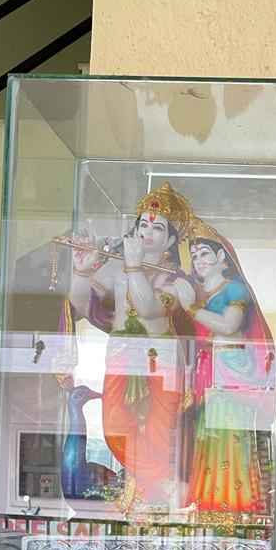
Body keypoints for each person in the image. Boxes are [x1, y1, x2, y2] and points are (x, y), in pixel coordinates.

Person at [63, 183, 196, 513]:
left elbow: (149, 309)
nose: (148, 232)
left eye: (158, 228)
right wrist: (82, 270)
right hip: (122, 354)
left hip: (160, 360)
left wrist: (134, 268)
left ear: (170, 241)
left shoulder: (177, 281)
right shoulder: (117, 270)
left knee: (159, 433)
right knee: (115, 428)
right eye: (143, 225)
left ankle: (150, 495)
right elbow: (81, 303)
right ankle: (158, 486)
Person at [179, 216, 276, 518]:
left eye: (204, 253)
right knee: (208, 436)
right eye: (194, 256)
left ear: (222, 256)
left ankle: (233, 503)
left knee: (229, 432)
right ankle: (208, 500)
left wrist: (191, 307)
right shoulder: (203, 294)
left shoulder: (234, 290)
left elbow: (229, 325)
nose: (198, 260)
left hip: (231, 370)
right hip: (210, 372)